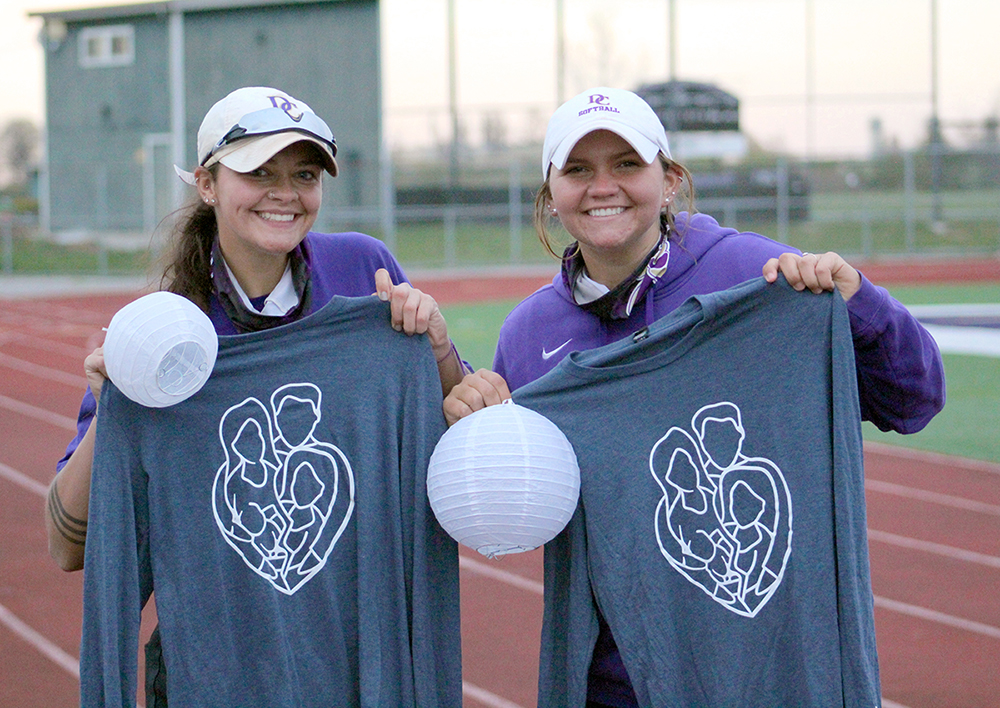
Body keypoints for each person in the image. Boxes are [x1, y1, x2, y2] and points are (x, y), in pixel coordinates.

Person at [443, 87, 945, 707]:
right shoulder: (529, 335)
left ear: (670, 179)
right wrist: (483, 434)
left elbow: (914, 400)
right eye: (578, 170)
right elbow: (524, 518)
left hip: (768, 671)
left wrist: (858, 302)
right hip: (618, 683)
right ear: (551, 197)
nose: (603, 186)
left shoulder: (758, 278)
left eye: (627, 164)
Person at [45, 85, 467, 706]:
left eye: (303, 173)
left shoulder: (364, 270)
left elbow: (447, 438)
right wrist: (116, 409)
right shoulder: (162, 331)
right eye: (258, 172)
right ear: (207, 184)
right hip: (212, 663)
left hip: (351, 648)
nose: (285, 193)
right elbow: (66, 547)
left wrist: (436, 352)